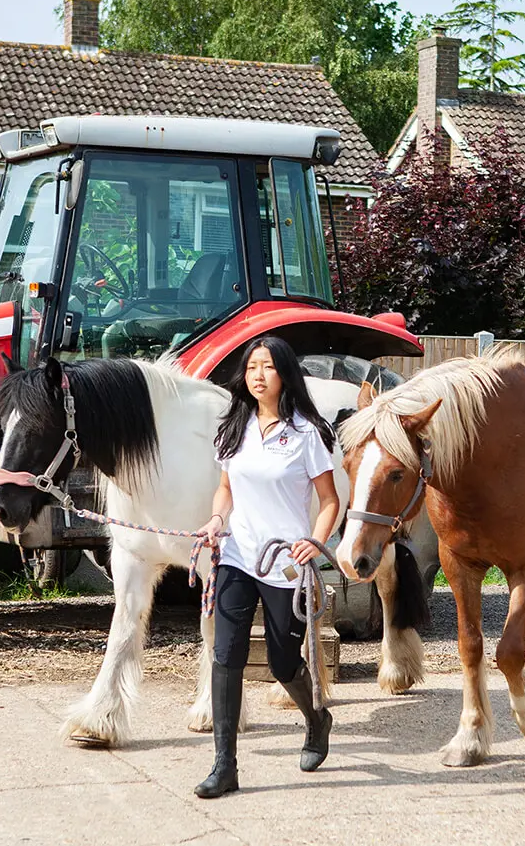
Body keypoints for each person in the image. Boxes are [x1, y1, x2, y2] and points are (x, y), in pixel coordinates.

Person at [193, 336, 341, 799]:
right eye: (252, 366)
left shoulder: (305, 434)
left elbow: (330, 500)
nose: (258, 375)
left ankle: (317, 718)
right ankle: (224, 767)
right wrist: (218, 519)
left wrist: (315, 541)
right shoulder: (233, 428)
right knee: (226, 656)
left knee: (281, 663)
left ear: (285, 376)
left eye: (268, 367)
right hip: (237, 556)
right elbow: (225, 489)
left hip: (285, 566)